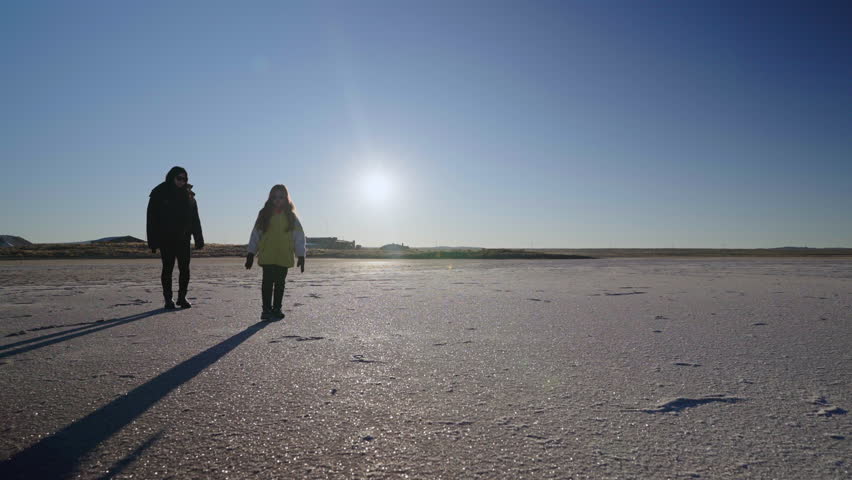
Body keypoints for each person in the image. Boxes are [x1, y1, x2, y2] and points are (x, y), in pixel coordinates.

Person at [245, 184, 306, 320]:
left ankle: (277, 308)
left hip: (284, 256)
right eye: (274, 197)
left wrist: (301, 255)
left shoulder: (291, 217)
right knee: (267, 283)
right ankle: (266, 310)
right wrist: (251, 253)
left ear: (286, 199)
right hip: (267, 255)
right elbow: (256, 235)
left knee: (280, 284)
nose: (277, 200)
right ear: (270, 198)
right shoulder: (264, 214)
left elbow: (299, 237)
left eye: (281, 197)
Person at [147, 166, 204, 309]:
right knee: (168, 268)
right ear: (172, 177)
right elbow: (151, 219)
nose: (182, 182)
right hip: (166, 238)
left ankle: (182, 297)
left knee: (185, 268)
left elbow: (195, 218)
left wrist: (199, 238)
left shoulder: (189, 195)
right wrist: (153, 242)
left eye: (184, 179)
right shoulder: (159, 193)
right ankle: (168, 299)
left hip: (184, 239)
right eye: (179, 178)